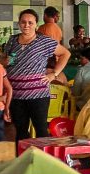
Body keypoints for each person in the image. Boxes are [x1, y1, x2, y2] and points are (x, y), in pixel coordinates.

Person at [7, 9, 70, 144]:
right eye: (23, 22)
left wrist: (54, 74)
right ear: (19, 24)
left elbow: (65, 54)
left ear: (36, 24)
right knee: (21, 130)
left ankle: (44, 161)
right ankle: (24, 161)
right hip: (16, 95)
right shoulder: (12, 40)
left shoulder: (44, 41)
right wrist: (5, 61)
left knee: (41, 129)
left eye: (30, 22)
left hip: (38, 94)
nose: (26, 25)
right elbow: (5, 59)